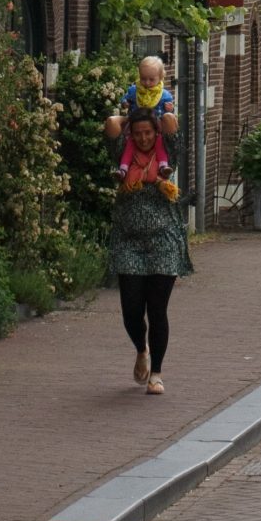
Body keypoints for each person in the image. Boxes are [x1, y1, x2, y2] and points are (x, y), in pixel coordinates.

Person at [108, 105, 191, 394]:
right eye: (138, 133)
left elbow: (170, 122)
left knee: (157, 309)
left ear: (156, 133)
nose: (143, 139)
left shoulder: (166, 152)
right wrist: (130, 116)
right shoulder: (123, 152)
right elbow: (110, 124)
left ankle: (156, 373)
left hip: (163, 239)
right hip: (128, 239)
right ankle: (141, 348)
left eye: (148, 133)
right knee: (131, 309)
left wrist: (158, 108)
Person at [104, 53, 177, 143]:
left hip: (155, 125)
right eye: (143, 78)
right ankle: (118, 147)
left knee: (169, 117)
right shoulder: (134, 90)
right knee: (112, 122)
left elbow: (169, 113)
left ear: (160, 77)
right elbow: (124, 100)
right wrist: (124, 103)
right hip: (134, 122)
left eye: (151, 79)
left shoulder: (164, 95)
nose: (147, 83)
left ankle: (167, 146)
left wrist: (170, 109)